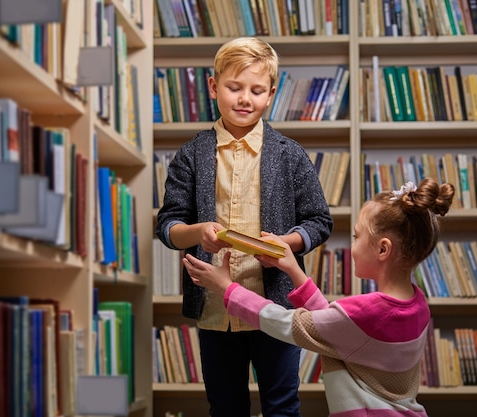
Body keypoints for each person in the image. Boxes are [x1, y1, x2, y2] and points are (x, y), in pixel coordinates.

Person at [155, 36, 333, 417]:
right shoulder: (191, 154)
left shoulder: (289, 154)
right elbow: (167, 225)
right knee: (225, 406)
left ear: (271, 94)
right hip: (216, 311)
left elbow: (320, 221)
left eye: (256, 90)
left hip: (275, 307)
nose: (244, 99)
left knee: (282, 406)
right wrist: (197, 232)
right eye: (234, 88)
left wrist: (285, 244)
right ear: (213, 86)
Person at [183, 178, 456, 417]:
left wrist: (226, 288)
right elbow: (335, 330)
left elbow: (288, 323)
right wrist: (291, 268)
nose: (352, 244)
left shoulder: (367, 312)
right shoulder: (417, 305)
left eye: (356, 236)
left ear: (383, 249)